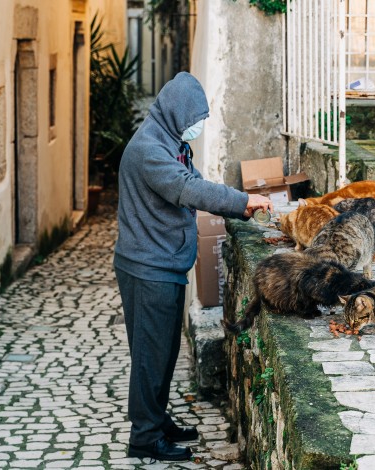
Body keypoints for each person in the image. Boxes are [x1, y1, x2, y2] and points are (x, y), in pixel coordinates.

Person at [114, 72, 273, 461]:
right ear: (176, 112)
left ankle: (156, 419)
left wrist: (238, 202)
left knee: (163, 352)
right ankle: (145, 437)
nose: (197, 126)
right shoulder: (150, 149)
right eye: (194, 118)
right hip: (148, 268)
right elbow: (188, 189)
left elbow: (192, 180)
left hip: (159, 264)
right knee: (152, 356)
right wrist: (241, 200)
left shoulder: (168, 141)